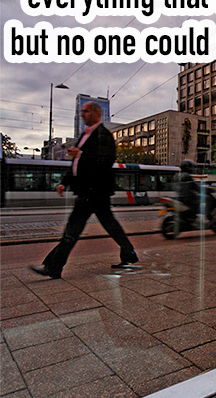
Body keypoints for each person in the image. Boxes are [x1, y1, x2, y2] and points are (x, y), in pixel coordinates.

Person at [30, 102, 138, 279]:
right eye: (82, 112)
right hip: (89, 191)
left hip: (94, 190)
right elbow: (75, 163)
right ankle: (129, 253)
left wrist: (80, 155)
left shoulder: (104, 135)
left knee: (73, 229)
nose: (82, 115)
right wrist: (64, 181)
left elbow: (105, 160)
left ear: (97, 112)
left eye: (86, 111)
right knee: (109, 224)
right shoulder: (84, 135)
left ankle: (53, 266)